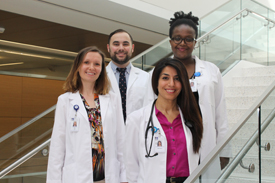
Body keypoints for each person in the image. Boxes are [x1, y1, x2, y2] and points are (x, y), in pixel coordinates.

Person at [145, 11, 231, 182]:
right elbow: (149, 112)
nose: (182, 43)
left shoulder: (211, 71)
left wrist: (224, 151)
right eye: (177, 38)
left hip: (204, 146)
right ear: (170, 41)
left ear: (195, 42)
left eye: (188, 39)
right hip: (171, 147)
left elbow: (220, 115)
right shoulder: (157, 73)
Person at [46, 46, 127, 183]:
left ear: (102, 70)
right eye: (86, 62)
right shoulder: (65, 101)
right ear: (78, 66)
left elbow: (121, 141)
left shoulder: (113, 99)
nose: (92, 67)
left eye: (97, 64)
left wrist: (125, 176)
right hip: (77, 176)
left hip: (108, 176)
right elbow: (57, 147)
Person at [124, 58, 203, 183]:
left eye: (177, 79)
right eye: (165, 78)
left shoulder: (192, 117)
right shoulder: (136, 119)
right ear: (156, 82)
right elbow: (131, 166)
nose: (171, 84)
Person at [106, 29, 149, 122]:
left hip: (137, 133)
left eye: (125, 44)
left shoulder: (146, 78)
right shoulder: (98, 77)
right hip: (108, 133)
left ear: (132, 47)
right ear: (108, 47)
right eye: (116, 44)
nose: (121, 48)